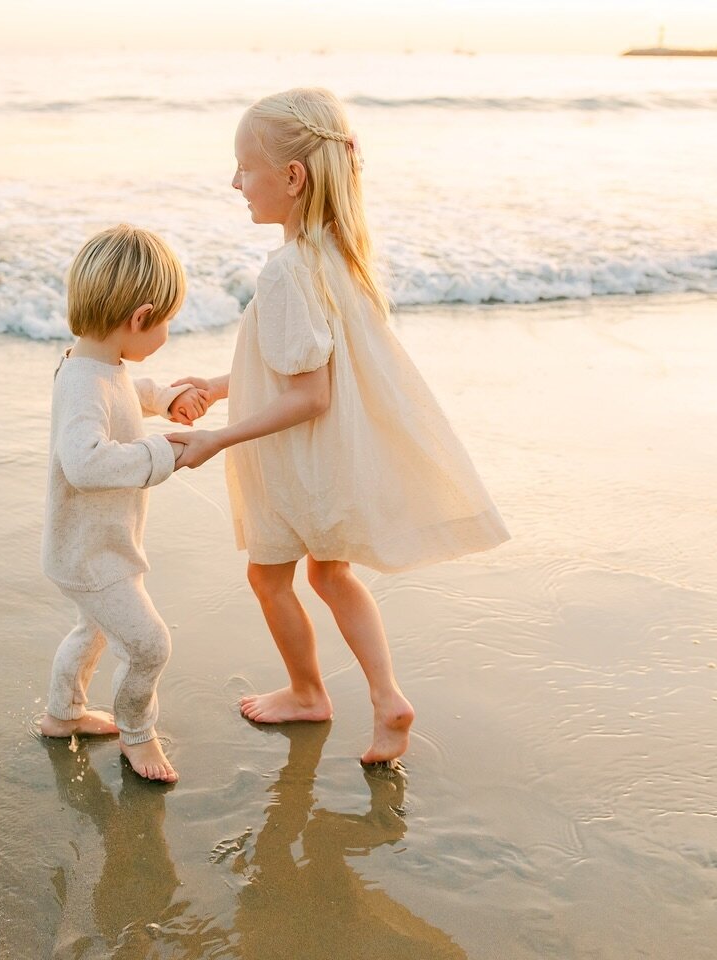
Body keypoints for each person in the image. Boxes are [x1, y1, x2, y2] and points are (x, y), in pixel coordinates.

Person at [168, 88, 510, 764]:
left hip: (297, 460)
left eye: (244, 167)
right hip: (332, 460)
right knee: (329, 575)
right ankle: (387, 699)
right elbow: (299, 366)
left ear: (292, 178)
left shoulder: (286, 272)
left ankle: (306, 692)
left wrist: (216, 439)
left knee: (270, 579)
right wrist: (217, 385)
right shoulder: (335, 256)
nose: (234, 182)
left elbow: (310, 395)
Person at [39, 224, 209, 783]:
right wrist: (163, 453)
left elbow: (125, 394)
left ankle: (63, 714)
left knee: (91, 631)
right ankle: (138, 733)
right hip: (94, 556)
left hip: (89, 549)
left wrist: (163, 398)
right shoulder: (86, 380)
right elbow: (84, 462)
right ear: (140, 317)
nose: (165, 334)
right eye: (166, 323)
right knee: (149, 645)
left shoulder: (95, 364)